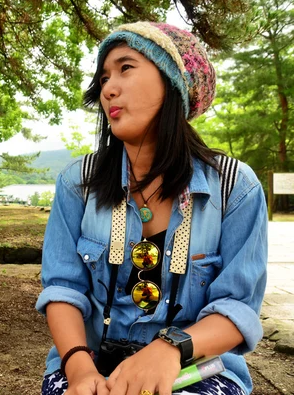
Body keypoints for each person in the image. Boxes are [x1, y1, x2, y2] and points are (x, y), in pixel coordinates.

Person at [36, 22, 268, 395]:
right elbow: (63, 288)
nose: (108, 89)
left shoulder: (235, 188)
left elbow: (237, 307)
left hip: (196, 369)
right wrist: (79, 369)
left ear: (173, 82)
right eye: (104, 77)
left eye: (126, 68)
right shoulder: (77, 183)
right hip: (90, 361)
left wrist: (170, 348)